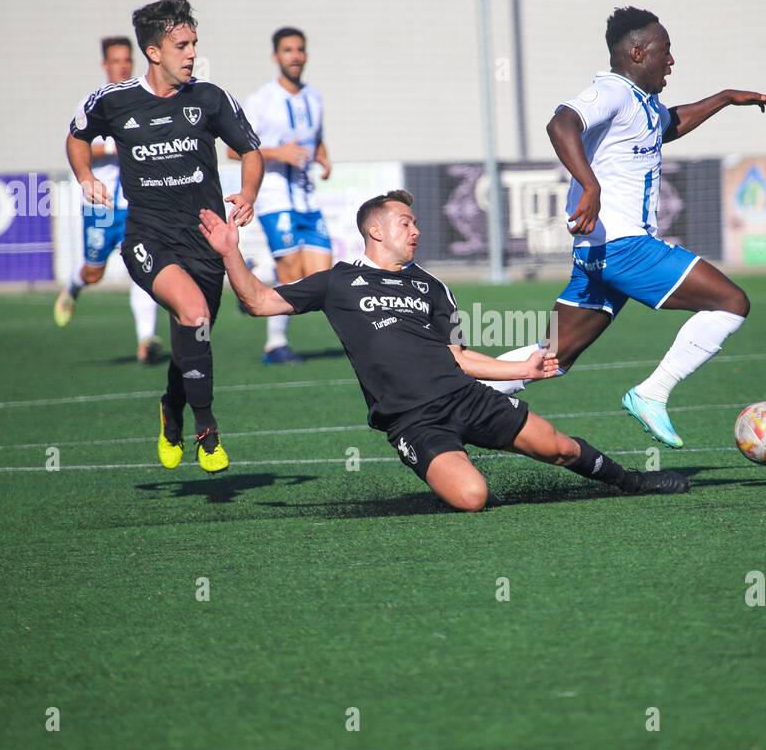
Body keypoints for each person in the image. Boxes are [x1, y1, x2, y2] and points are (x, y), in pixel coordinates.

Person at [199, 191, 691, 511]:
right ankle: (452, 469)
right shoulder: (339, 281)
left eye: (416, 223)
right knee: (473, 497)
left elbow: (457, 356)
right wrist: (229, 253)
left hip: (465, 395)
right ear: (375, 231)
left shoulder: (431, 286)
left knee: (559, 447)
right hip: (412, 419)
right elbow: (258, 301)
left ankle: (632, 481)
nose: (416, 231)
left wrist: (520, 368)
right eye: (405, 223)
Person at [480, 6, 766, 450]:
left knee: (552, 358)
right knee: (731, 302)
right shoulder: (613, 92)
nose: (671, 61)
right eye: (665, 51)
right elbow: (561, 123)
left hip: (599, 251)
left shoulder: (642, 103)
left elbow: (667, 125)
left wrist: (725, 98)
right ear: (637, 52)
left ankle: (464, 397)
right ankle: (652, 393)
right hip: (623, 247)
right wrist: (590, 184)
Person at [66, 0, 263, 473]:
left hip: (205, 240)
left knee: (193, 337)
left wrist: (249, 192)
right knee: (193, 312)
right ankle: (208, 431)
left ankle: (170, 407)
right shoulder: (112, 100)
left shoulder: (211, 98)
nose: (192, 52)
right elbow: (77, 137)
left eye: (194, 42)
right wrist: (86, 178)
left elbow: (251, 150)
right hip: (147, 238)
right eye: (182, 44)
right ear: (154, 52)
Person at [54, 36, 165, 364]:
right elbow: (78, 142)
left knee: (143, 267)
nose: (123, 65)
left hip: (137, 204)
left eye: (127, 60)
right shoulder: (95, 103)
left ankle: (146, 340)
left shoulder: (145, 100)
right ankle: (74, 286)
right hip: (101, 206)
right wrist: (114, 147)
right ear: (105, 65)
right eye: (116, 60)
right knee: (94, 273)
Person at [232, 26, 332, 363]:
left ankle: (255, 276)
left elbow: (316, 137)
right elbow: (234, 152)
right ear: (276, 56)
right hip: (275, 198)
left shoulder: (314, 97)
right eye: (288, 50)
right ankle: (275, 345)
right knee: (291, 277)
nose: (295, 56)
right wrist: (277, 154)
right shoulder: (261, 101)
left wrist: (323, 155)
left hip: (306, 197)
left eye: (300, 49)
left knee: (320, 280)